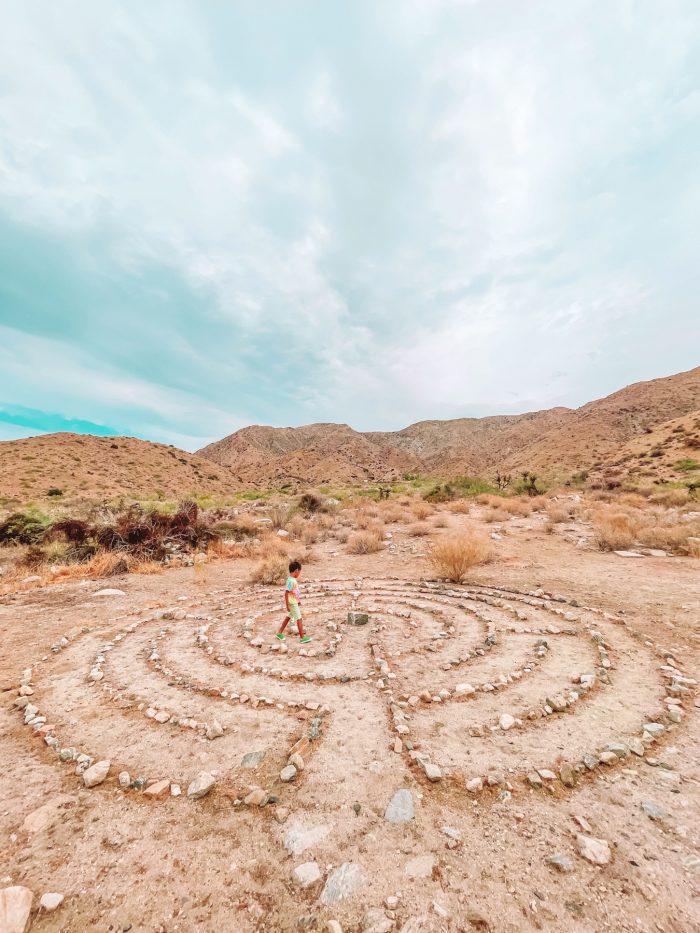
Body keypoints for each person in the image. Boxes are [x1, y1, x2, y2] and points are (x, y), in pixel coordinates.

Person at [276, 559, 311, 643]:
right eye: (299, 572)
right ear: (296, 570)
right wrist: (287, 604)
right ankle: (302, 637)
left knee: (288, 617)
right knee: (299, 618)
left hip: (294, 601)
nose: (299, 574)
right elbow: (286, 592)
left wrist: (298, 600)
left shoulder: (291, 579)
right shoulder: (291, 581)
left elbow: (294, 592)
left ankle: (279, 632)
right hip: (292, 603)